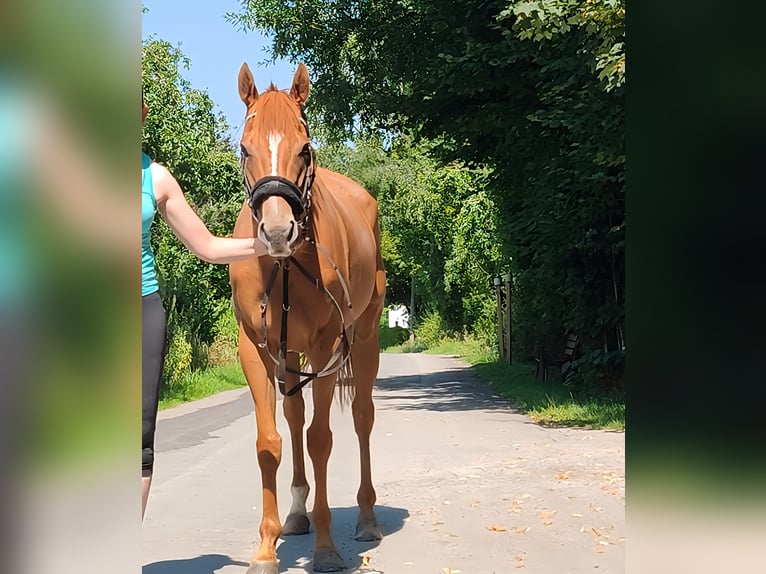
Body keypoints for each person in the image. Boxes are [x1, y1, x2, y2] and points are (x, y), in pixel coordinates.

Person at [142, 95, 267, 519]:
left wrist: (266, 245)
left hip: (141, 312)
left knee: (136, 441)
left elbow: (208, 246)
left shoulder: (155, 178)